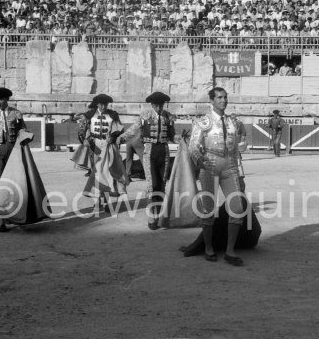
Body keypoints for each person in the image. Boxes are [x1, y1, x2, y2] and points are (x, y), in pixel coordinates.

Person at [188, 87, 248, 266]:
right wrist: (200, 159)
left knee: (237, 208)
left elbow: (237, 150)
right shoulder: (203, 122)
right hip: (210, 166)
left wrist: (241, 172)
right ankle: (208, 247)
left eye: (225, 97)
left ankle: (230, 251)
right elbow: (193, 146)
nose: (224, 100)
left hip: (230, 167)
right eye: (220, 98)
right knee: (208, 209)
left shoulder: (233, 123)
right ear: (212, 101)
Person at [0, 87, 47, 232]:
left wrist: (26, 134)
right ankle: (1, 220)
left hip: (14, 154)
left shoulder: (16, 114)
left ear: (7, 99)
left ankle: (16, 215)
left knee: (16, 184)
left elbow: (23, 130)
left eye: (2, 98)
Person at [118, 91, 175, 230]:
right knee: (152, 185)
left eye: (161, 105)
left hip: (164, 152)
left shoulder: (168, 117)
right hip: (149, 152)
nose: (159, 108)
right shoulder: (144, 116)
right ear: (152, 104)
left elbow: (173, 136)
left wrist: (182, 139)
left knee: (161, 185)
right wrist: (121, 138)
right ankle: (151, 218)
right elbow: (133, 129)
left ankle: (158, 217)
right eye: (156, 105)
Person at [82, 94, 128, 212]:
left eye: (105, 104)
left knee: (108, 174)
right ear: (97, 104)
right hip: (95, 146)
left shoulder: (113, 115)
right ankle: (98, 201)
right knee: (96, 173)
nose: (103, 106)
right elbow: (83, 130)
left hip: (108, 146)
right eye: (101, 104)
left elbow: (119, 130)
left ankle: (107, 202)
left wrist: (113, 138)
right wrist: (85, 140)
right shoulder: (89, 115)